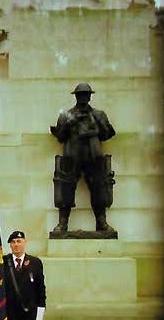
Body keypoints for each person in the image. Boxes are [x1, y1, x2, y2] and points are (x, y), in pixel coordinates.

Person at [50, 83, 116, 233]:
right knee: (65, 187)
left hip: (93, 156)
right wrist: (70, 123)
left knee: (99, 187)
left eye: (86, 95)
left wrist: (97, 123)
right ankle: (63, 223)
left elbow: (108, 134)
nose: (83, 98)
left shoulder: (99, 115)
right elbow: (60, 136)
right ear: (76, 96)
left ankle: (101, 222)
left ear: (90, 96)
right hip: (72, 156)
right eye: (80, 95)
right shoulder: (66, 115)